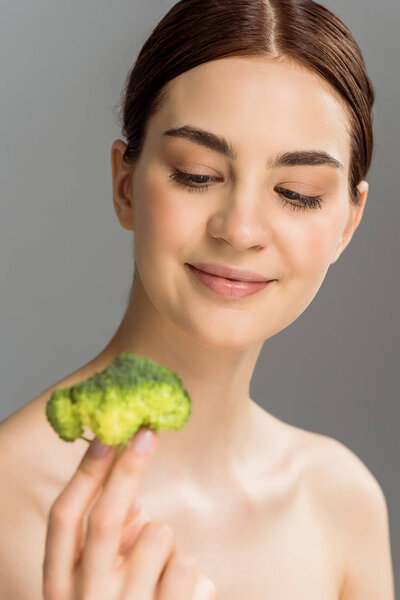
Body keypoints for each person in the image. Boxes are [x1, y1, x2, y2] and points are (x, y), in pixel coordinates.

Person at [0, 0, 395, 598]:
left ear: (348, 223)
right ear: (124, 184)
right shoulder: (11, 500)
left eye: (297, 192)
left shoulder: (341, 501)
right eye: (197, 174)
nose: (239, 229)